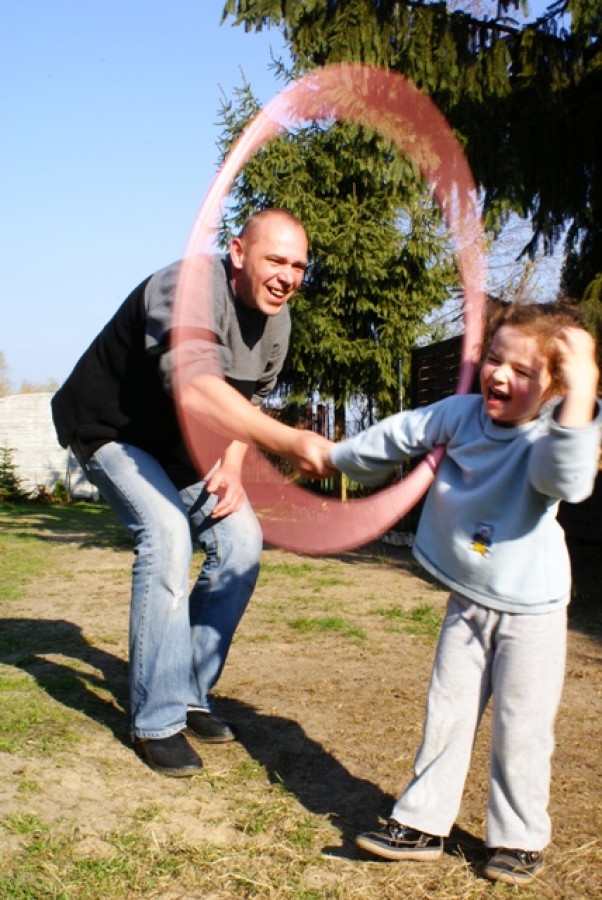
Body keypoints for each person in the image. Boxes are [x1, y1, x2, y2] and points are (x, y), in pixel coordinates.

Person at [324, 302, 600, 886]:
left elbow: (566, 482)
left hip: (534, 609)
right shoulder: (461, 413)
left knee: (522, 728)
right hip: (469, 598)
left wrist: (584, 394)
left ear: (552, 388)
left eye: (523, 372)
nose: (500, 376)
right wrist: (331, 457)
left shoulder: (550, 435)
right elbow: (399, 435)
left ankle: (519, 839)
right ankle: (423, 823)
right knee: (446, 713)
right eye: (494, 360)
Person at [52, 208, 332, 776]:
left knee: (242, 542)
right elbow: (199, 388)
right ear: (237, 251)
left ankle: (189, 690)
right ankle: (156, 721)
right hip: (111, 429)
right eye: (275, 259)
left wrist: (231, 460)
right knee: (166, 535)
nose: (288, 276)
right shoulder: (184, 287)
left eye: (299, 265)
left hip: (183, 448)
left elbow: (244, 398)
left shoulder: (277, 324)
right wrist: (287, 441)